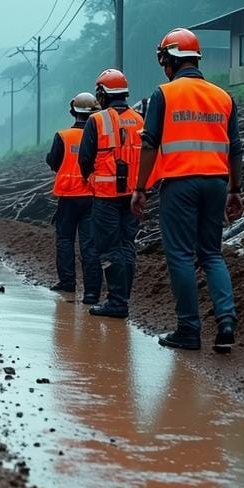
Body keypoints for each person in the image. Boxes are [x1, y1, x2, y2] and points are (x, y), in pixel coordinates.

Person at [132, 28, 242, 353]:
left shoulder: (163, 95)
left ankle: (189, 330)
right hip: (217, 183)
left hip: (180, 184)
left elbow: (150, 143)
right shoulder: (223, 96)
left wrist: (140, 187)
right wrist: (235, 189)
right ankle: (225, 322)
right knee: (211, 253)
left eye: (163, 58)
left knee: (180, 254)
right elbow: (236, 148)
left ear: (169, 59)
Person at [79, 69, 144, 319]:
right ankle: (122, 298)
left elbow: (85, 159)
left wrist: (92, 179)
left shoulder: (97, 120)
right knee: (127, 245)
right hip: (133, 194)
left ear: (102, 93)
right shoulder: (139, 119)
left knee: (108, 248)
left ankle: (117, 302)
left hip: (106, 196)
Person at [45, 92, 102, 301]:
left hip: (68, 197)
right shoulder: (98, 135)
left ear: (73, 112)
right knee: (89, 244)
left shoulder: (62, 136)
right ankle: (91, 292)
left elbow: (53, 162)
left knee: (65, 240)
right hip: (91, 196)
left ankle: (68, 283)